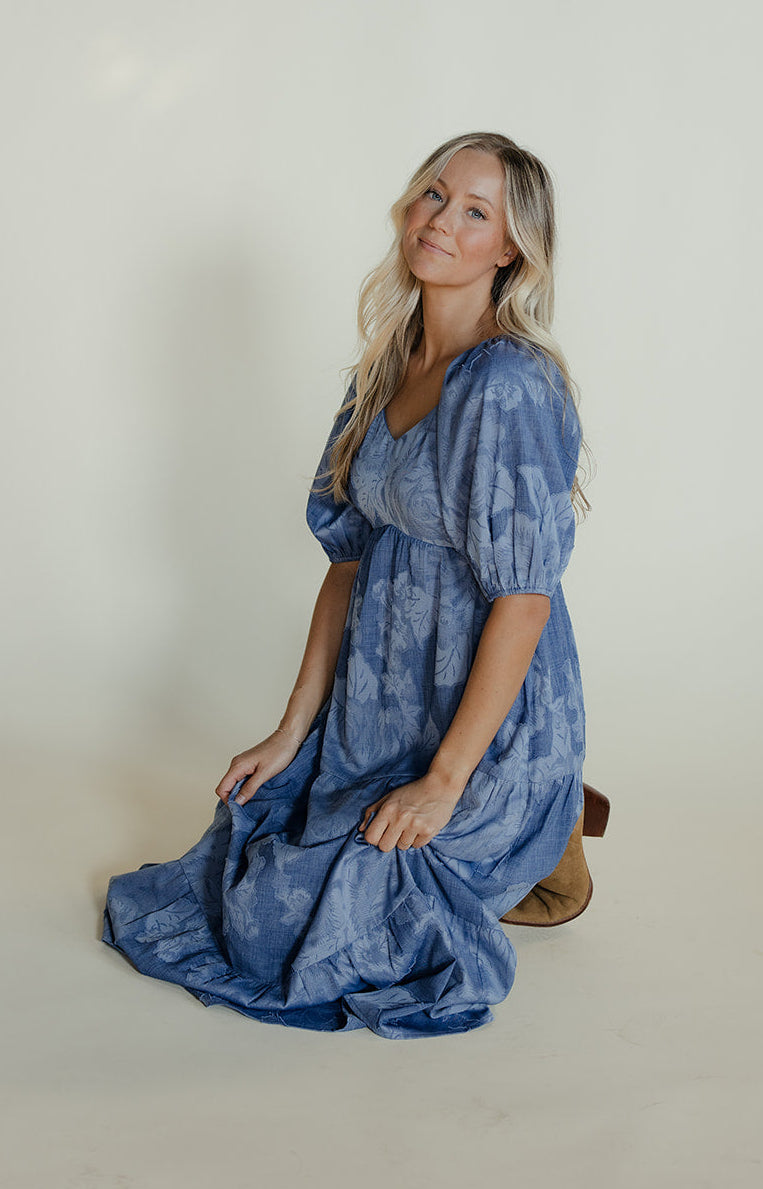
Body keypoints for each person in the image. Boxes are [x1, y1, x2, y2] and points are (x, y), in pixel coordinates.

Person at [101, 130, 607, 1040]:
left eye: (475, 212)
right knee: (249, 839)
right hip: (376, 710)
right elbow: (347, 564)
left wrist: (443, 782)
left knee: (296, 932)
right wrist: (292, 729)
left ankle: (537, 816)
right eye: (434, 194)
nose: (440, 220)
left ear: (510, 249)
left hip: (480, 730)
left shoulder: (507, 385)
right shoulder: (384, 366)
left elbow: (523, 598)